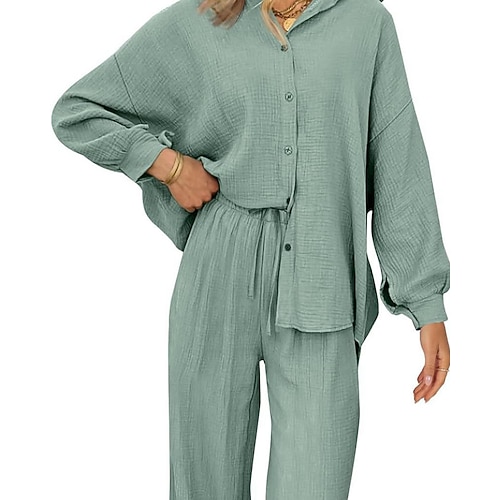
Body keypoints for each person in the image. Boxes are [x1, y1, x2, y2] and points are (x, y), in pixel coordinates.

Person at [51, 0, 451, 498]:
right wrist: (169, 166)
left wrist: (425, 303)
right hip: (218, 271)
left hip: (323, 275)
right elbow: (78, 111)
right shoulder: (204, 18)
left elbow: (397, 158)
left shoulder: (367, 23)